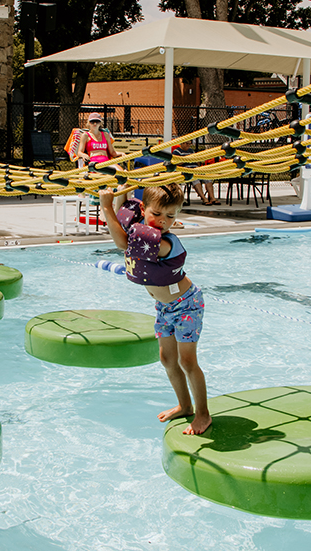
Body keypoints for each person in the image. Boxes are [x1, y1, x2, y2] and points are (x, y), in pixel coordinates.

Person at [99, 184, 211, 435]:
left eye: (171, 216)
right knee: (167, 359)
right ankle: (185, 405)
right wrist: (120, 198)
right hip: (164, 306)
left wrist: (105, 205)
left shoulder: (165, 242)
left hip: (186, 304)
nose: (163, 221)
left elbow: (122, 243)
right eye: (157, 214)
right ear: (143, 209)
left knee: (187, 361)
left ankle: (203, 414)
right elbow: (124, 223)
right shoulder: (143, 227)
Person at [76, 112, 128, 212]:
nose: (94, 124)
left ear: (100, 123)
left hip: (107, 162)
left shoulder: (105, 134)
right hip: (95, 163)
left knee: (122, 175)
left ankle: (118, 206)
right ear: (88, 123)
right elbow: (79, 152)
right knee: (108, 177)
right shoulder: (85, 135)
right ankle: (107, 206)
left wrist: (121, 153)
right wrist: (83, 155)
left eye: (97, 121)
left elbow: (112, 152)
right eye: (92, 122)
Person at [173, 139, 217, 205]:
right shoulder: (176, 152)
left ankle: (212, 198)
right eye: (187, 143)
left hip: (196, 169)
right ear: (182, 143)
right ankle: (204, 198)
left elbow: (197, 162)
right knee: (196, 180)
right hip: (187, 171)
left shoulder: (191, 151)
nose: (188, 145)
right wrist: (186, 159)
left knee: (208, 179)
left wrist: (197, 160)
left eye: (190, 144)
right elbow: (175, 163)